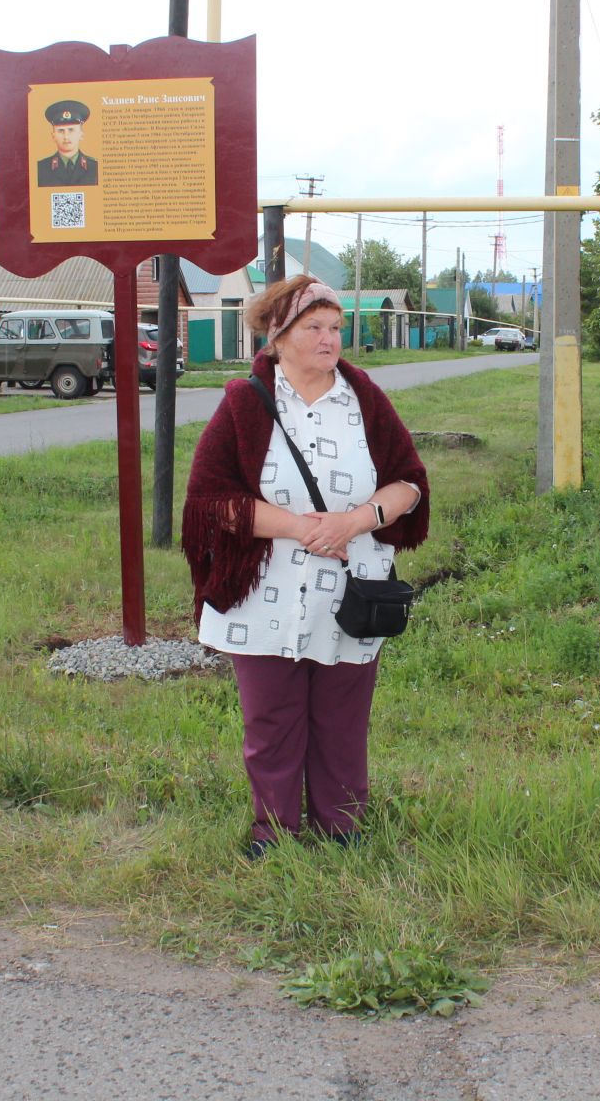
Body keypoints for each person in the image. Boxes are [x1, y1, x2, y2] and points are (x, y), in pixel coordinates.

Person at [182, 275, 430, 858]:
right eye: (313, 328)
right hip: (263, 592)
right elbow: (209, 501)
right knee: (270, 721)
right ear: (278, 335)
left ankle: (339, 827)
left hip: (349, 589)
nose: (328, 339)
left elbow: (410, 485)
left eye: (336, 328)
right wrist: (305, 528)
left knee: (342, 720)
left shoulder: (364, 398)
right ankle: (274, 832)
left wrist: (358, 519)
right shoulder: (244, 404)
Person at [34, 99, 98, 187]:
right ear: (53, 136)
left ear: (81, 135)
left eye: (71, 130)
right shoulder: (40, 169)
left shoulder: (95, 168)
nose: (66, 136)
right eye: (61, 131)